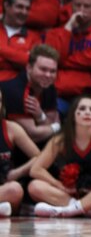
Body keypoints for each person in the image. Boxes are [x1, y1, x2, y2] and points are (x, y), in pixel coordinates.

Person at [28, 96, 91, 218]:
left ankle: (68, 211)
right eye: (82, 108)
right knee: (35, 186)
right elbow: (36, 169)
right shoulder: (61, 140)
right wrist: (59, 186)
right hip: (71, 194)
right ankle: (85, 209)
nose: (87, 112)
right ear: (73, 114)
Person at [0, 44, 60, 144]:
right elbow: (32, 135)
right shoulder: (15, 91)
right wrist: (57, 126)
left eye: (53, 71)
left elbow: (50, 122)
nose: (48, 75)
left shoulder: (49, 87)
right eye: (43, 69)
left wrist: (41, 116)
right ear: (29, 68)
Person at [0, 88, 40, 217]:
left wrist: (18, 172)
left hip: (3, 190)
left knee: (15, 189)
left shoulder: (11, 129)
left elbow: (39, 157)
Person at [0, 0, 41, 81]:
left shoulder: (34, 37)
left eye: (27, 8)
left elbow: (32, 63)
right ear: (6, 6)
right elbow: (23, 59)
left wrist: (1, 50)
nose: (24, 12)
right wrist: (19, 57)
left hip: (16, 87)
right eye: (20, 7)